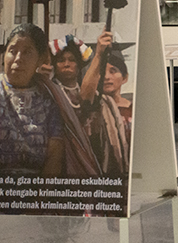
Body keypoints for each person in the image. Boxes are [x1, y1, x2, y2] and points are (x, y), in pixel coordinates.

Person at [0, 24, 99, 178]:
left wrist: (39, 192)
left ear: (40, 59)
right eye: (12, 51)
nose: (18, 58)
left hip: (36, 186)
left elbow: (54, 155)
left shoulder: (49, 98)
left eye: (27, 52)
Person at [47, 31, 129, 177]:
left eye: (72, 60)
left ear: (79, 66)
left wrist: (99, 54)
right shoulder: (48, 93)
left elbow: (85, 99)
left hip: (89, 163)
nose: (67, 64)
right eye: (61, 60)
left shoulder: (97, 98)